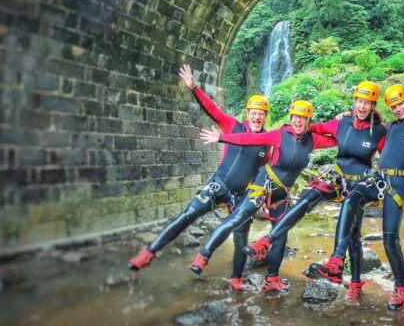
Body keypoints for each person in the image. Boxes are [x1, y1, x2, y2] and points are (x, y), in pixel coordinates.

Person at [307, 68, 404, 310]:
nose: (399, 108)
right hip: (378, 179)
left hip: (398, 186)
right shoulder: (388, 128)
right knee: (350, 200)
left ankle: (400, 288)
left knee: (390, 240)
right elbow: (366, 128)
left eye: (402, 103)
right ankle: (337, 261)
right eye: (394, 106)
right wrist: (347, 115)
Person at [126, 65, 270, 291]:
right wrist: (194, 87)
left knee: (241, 239)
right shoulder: (233, 126)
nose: (257, 117)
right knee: (188, 214)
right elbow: (212, 109)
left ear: (265, 117)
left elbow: (265, 170)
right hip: (218, 184)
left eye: (261, 114)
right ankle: (148, 253)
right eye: (253, 112)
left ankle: (236, 280)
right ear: (247, 113)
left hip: (241, 194)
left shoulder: (268, 142)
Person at [242, 81, 387, 299]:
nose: (362, 106)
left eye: (367, 103)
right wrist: (289, 131)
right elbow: (311, 128)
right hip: (337, 175)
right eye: (359, 101)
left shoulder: (380, 132)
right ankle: (267, 241)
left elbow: (390, 155)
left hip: (360, 183)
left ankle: (353, 281)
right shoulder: (342, 122)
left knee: (354, 235)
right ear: (355, 101)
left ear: (373, 105)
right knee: (306, 199)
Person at [190, 100, 336, 292]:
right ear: (291, 117)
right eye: (295, 117)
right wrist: (221, 138)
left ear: (309, 120)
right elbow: (249, 139)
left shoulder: (312, 140)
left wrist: (342, 120)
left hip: (281, 194)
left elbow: (340, 138)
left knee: (281, 235)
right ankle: (204, 255)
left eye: (303, 118)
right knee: (237, 218)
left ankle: (271, 279)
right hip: (263, 185)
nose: (298, 121)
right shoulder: (279, 135)